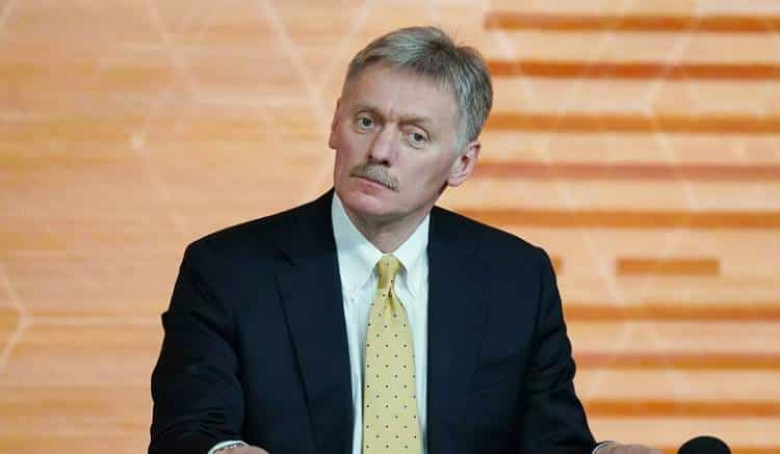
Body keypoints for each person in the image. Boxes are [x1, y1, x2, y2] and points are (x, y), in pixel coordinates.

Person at [149, 26, 659, 454]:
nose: (380, 150)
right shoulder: (228, 270)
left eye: (416, 135)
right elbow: (187, 430)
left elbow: (551, 441)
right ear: (335, 124)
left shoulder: (517, 278)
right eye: (366, 121)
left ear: (462, 163)